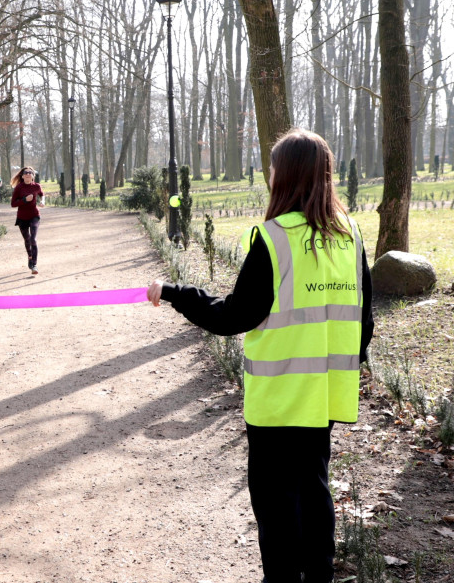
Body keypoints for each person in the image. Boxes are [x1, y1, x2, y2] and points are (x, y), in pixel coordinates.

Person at [146, 129, 373, 583]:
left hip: (278, 399)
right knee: (314, 488)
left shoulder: (274, 239)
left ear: (285, 175)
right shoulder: (350, 235)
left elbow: (233, 316)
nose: (268, 175)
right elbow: (365, 319)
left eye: (272, 167)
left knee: (276, 502)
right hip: (326, 394)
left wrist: (175, 293)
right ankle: (320, 575)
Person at [10, 166, 44, 274]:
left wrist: (42, 201)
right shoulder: (19, 188)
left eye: (31, 172)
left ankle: (34, 264)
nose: (28, 174)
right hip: (22, 217)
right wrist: (24, 200)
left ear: (33, 176)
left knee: (33, 239)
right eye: (26, 172)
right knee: (27, 240)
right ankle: (30, 256)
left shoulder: (36, 186)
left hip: (34, 215)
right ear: (23, 176)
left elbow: (42, 195)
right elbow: (13, 204)